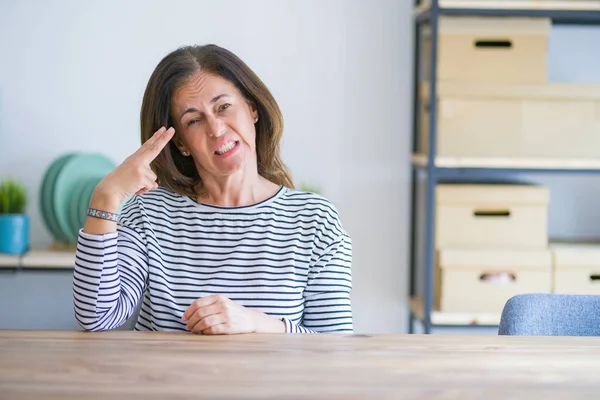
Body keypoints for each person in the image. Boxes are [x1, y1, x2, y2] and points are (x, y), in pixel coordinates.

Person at [73, 44, 353, 334]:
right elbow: (96, 318)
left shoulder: (315, 221)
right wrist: (105, 198)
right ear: (180, 143)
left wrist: (256, 324)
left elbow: (334, 348)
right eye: (194, 120)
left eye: (223, 107)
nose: (216, 129)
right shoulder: (147, 213)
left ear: (252, 108)